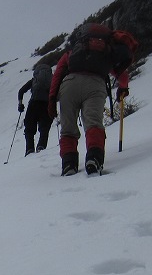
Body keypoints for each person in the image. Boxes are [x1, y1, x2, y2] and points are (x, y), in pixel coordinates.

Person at [49, 23, 137, 176]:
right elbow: (121, 73)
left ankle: (69, 164)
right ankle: (94, 158)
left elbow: (57, 75)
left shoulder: (73, 53)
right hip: (96, 84)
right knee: (93, 123)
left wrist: (51, 99)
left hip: (70, 85)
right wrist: (123, 88)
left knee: (68, 127)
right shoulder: (105, 53)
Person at [17, 62, 54, 155]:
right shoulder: (52, 80)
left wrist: (20, 104)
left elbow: (21, 91)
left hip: (34, 104)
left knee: (29, 128)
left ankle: (29, 149)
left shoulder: (34, 80)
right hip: (47, 105)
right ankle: (41, 147)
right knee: (44, 128)